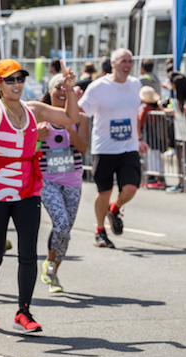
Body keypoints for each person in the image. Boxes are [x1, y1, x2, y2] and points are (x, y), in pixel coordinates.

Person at [0, 59, 80, 333]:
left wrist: (69, 90)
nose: (16, 84)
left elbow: (71, 118)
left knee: (28, 255)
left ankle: (24, 311)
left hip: (26, 192)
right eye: (9, 79)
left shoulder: (34, 109)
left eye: (20, 78)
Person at [79, 49, 149, 248]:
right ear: (113, 63)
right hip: (105, 148)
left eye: (130, 61)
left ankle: (115, 209)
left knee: (131, 188)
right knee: (104, 191)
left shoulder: (135, 84)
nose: (127, 65)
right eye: (123, 61)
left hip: (128, 146)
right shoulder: (99, 87)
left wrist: (140, 138)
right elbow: (83, 111)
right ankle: (100, 231)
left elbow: (135, 114)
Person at [38, 73, 89, 293]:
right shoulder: (39, 117)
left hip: (73, 181)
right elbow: (26, 149)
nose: (60, 91)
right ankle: (49, 263)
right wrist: (38, 136)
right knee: (60, 223)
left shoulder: (81, 119)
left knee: (66, 230)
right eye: (56, 87)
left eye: (64, 87)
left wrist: (70, 128)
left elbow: (83, 149)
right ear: (50, 92)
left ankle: (53, 272)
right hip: (48, 180)